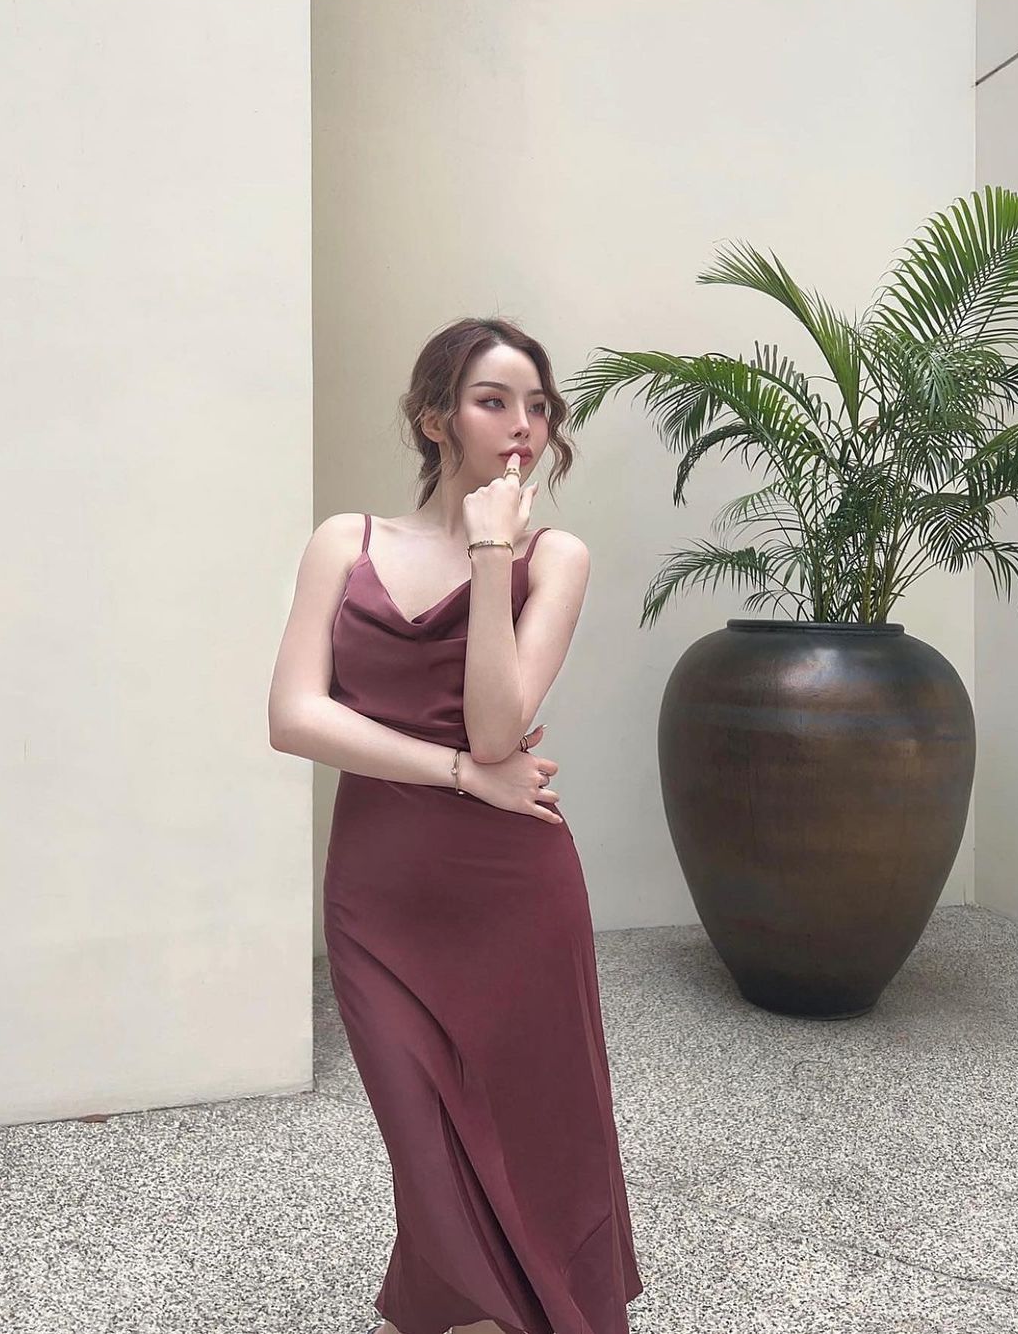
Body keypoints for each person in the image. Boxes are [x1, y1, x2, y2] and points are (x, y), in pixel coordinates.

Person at [268, 318, 644, 1334]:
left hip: (515, 889)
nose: (523, 425)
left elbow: (495, 727)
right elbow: (293, 716)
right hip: (380, 894)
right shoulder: (344, 543)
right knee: (423, 1139)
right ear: (435, 418)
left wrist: (490, 550)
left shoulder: (553, 556)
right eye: (493, 400)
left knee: (541, 1128)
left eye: (538, 405)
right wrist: (458, 775)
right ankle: (468, 1301)